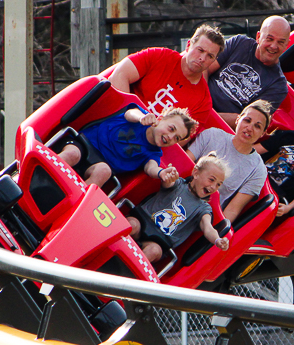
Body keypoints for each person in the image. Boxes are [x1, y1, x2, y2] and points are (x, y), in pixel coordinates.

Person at [100, 25, 225, 129]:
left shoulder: (203, 102)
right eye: (200, 50)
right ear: (188, 46)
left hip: (144, 146)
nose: (202, 58)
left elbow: (178, 141)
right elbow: (120, 74)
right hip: (115, 118)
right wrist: (127, 117)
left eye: (210, 56)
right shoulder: (159, 56)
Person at [126, 153, 231, 263]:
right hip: (143, 221)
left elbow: (208, 227)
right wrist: (169, 176)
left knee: (153, 251)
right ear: (196, 173)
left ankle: (124, 275)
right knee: (132, 224)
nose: (214, 187)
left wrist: (217, 239)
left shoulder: (203, 209)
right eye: (211, 180)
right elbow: (168, 182)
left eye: (218, 184)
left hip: (158, 242)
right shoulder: (178, 184)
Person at [58, 106, 197, 188]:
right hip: (85, 144)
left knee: (104, 171)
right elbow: (131, 113)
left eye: (177, 138)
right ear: (160, 119)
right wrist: (141, 117)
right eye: (171, 129)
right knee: (72, 155)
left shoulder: (153, 153)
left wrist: (161, 173)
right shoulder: (140, 116)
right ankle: (42, 171)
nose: (170, 137)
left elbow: (151, 167)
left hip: (98, 164)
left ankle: (69, 202)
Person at [186, 100, 271, 222]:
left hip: (200, 216)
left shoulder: (258, 170)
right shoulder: (212, 134)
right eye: (247, 120)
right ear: (238, 120)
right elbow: (184, 165)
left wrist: (216, 235)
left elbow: (233, 209)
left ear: (263, 134)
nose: (250, 128)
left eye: (257, 126)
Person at [206, 16, 291, 128]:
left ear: (286, 45)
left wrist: (207, 115)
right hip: (200, 99)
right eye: (269, 39)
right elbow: (205, 68)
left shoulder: (278, 85)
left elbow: (248, 120)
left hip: (222, 126)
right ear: (258, 37)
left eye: (280, 42)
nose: (274, 46)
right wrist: (200, 101)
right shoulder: (240, 43)